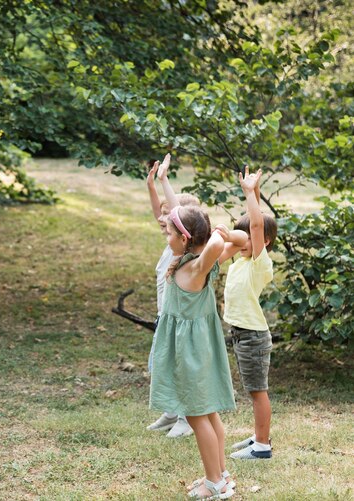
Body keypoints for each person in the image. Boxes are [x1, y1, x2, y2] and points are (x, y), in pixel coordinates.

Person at [149, 205, 247, 499]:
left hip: (189, 352)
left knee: (195, 415)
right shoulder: (197, 261)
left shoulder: (196, 267)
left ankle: (214, 482)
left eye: (170, 233)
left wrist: (216, 232)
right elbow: (241, 240)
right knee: (209, 413)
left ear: (185, 239)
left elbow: (223, 242)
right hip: (198, 347)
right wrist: (219, 231)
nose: (166, 238)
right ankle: (221, 474)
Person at [219, 167, 278, 461]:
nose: (240, 239)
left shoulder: (259, 262)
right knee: (252, 390)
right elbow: (252, 225)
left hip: (253, 336)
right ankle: (258, 436)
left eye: (246, 235)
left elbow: (256, 225)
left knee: (257, 392)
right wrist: (253, 192)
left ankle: (263, 447)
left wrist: (248, 193)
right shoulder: (242, 260)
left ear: (263, 241)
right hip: (241, 334)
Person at [145, 154, 198, 438]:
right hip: (164, 316)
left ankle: (186, 418)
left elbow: (174, 211)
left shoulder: (186, 250)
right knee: (163, 365)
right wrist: (151, 185)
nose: (162, 219)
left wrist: (164, 180)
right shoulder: (171, 243)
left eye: (169, 215)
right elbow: (161, 213)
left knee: (178, 368)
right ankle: (171, 411)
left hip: (179, 319)